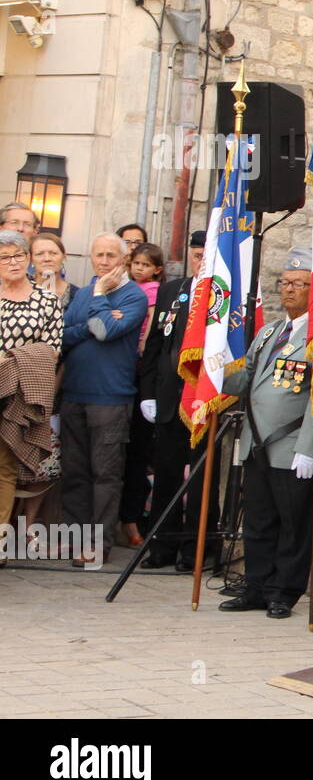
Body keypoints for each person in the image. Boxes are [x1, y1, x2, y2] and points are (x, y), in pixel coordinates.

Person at [218, 249, 313, 619]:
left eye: (298, 284)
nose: (289, 290)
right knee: (259, 520)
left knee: (292, 524)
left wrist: (308, 447)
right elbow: (246, 380)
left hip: (291, 445)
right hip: (257, 443)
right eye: (284, 283)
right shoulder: (269, 332)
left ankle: (284, 592)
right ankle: (257, 586)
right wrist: (212, 364)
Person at [60, 232, 148, 565]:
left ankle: (99, 544)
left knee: (105, 475)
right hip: (74, 394)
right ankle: (72, 538)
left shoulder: (133, 297)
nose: (104, 261)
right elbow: (64, 335)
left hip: (110, 399)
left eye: (111, 255)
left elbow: (105, 331)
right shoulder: (81, 295)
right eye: (98, 255)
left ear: (124, 258)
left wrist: (98, 302)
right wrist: (91, 322)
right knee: (75, 471)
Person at [138, 231, 221, 571]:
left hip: (202, 398)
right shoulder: (173, 291)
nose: (199, 261)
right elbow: (155, 345)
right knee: (168, 474)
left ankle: (196, 548)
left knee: (203, 477)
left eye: (205, 256)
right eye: (196, 255)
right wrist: (148, 393)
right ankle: (163, 546)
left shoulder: (223, 294)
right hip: (170, 397)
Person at [0, 230, 62, 562]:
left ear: (28, 259)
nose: (12, 262)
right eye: (4, 257)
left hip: (19, 396)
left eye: (18, 256)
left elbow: (52, 351)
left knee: (4, 468)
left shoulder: (46, 300)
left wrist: (10, 361)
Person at [16, 233, 76, 540]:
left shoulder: (75, 295)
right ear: (30, 259)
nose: (47, 258)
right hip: (16, 385)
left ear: (63, 256)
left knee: (45, 461)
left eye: (53, 252)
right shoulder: (15, 290)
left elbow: (71, 342)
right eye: (40, 253)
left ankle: (29, 525)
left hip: (57, 385)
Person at [118, 241, 166, 547]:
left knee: (138, 453)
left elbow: (150, 329)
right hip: (115, 373)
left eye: (146, 265)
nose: (140, 269)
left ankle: (132, 518)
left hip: (140, 374)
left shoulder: (157, 293)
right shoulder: (115, 287)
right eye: (136, 262)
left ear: (157, 270)